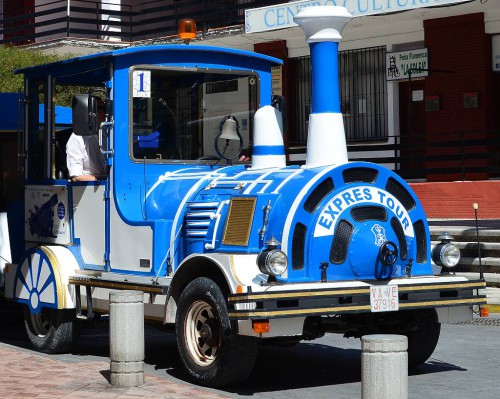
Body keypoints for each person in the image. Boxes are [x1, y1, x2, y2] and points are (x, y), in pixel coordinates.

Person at [66, 100, 107, 181]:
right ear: (88, 113)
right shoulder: (77, 137)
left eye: (104, 109)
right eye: (98, 109)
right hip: (88, 188)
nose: (103, 113)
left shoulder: (109, 133)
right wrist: (104, 178)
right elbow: (76, 177)